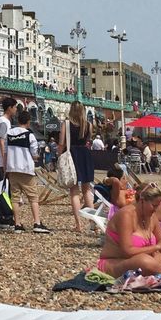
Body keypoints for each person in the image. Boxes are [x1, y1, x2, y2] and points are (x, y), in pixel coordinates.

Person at [96, 183, 161, 278]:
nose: (156, 209)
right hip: (118, 262)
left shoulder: (152, 216)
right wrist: (157, 247)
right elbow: (127, 251)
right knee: (144, 261)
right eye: (154, 205)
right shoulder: (126, 215)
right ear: (142, 200)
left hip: (149, 261)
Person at [5, 110, 49, 234]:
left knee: (15, 197)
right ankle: (37, 222)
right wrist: (35, 157)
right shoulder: (29, 135)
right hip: (25, 169)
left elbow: (6, 151)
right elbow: (34, 153)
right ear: (28, 122)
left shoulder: (10, 134)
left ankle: (17, 224)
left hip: (12, 168)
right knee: (33, 197)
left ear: (18, 120)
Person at [60, 100, 95, 233]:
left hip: (72, 155)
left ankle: (78, 225)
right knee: (87, 191)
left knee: (74, 191)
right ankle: (93, 223)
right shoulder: (88, 125)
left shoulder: (66, 124)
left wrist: (59, 157)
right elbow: (87, 141)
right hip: (85, 156)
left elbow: (61, 143)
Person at [0, 96, 18, 227]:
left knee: (2, 187)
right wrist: (4, 160)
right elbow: (1, 140)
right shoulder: (4, 122)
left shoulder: (4, 121)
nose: (16, 110)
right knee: (4, 189)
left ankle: (1, 216)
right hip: (2, 160)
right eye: (15, 107)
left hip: (2, 160)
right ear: (10, 108)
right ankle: (5, 216)